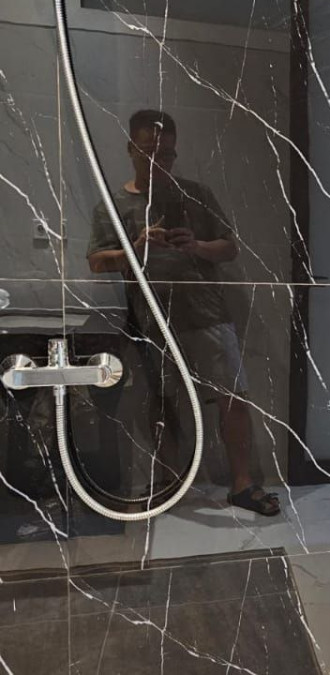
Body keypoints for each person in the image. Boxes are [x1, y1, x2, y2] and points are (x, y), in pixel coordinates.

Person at [86, 109, 280, 516]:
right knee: (162, 401)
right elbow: (96, 262)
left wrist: (196, 246)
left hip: (207, 311)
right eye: (149, 152)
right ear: (131, 149)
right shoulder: (113, 204)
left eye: (167, 154)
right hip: (152, 316)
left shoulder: (196, 194)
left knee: (232, 396)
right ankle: (172, 484)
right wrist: (135, 247)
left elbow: (230, 248)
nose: (159, 161)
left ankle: (242, 484)